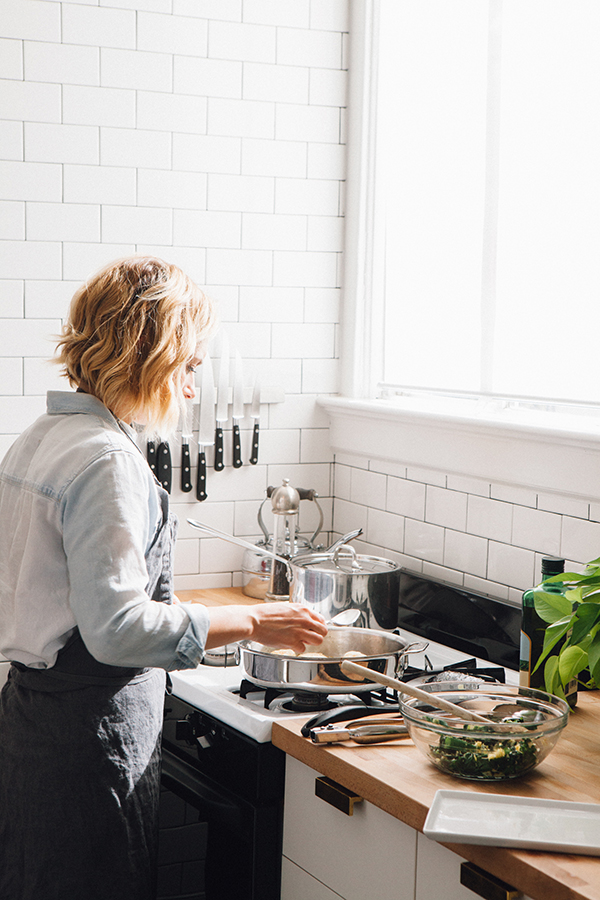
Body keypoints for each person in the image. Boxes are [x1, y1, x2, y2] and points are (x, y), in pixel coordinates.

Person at [0, 255, 327, 900]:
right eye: (192, 365)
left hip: (34, 722)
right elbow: (118, 631)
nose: (193, 388)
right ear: (154, 353)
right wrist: (257, 619)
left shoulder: (43, 437)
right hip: (86, 740)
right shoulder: (106, 461)